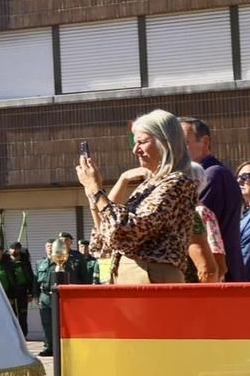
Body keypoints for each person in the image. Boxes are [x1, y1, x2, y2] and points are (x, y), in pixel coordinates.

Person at [78, 111, 199, 285]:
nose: (135, 150)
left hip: (151, 276)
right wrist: (94, 191)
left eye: (142, 142)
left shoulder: (177, 183)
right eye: (134, 143)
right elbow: (104, 238)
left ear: (165, 142)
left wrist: (96, 191)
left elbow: (126, 232)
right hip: (132, 275)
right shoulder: (150, 184)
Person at [180, 117, 248, 282]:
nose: (176, 149)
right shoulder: (210, 174)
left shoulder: (212, 175)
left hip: (216, 275)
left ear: (205, 142)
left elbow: (192, 228)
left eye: (183, 143)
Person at [35, 233, 88, 357]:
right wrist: (36, 295)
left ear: (71, 242)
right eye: (61, 240)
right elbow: (38, 279)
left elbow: (85, 277)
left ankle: (71, 346)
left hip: (69, 296)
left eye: (66, 240)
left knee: (69, 323)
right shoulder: (49, 259)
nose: (63, 242)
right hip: (47, 295)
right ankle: (49, 347)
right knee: (47, 323)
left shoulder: (76, 257)